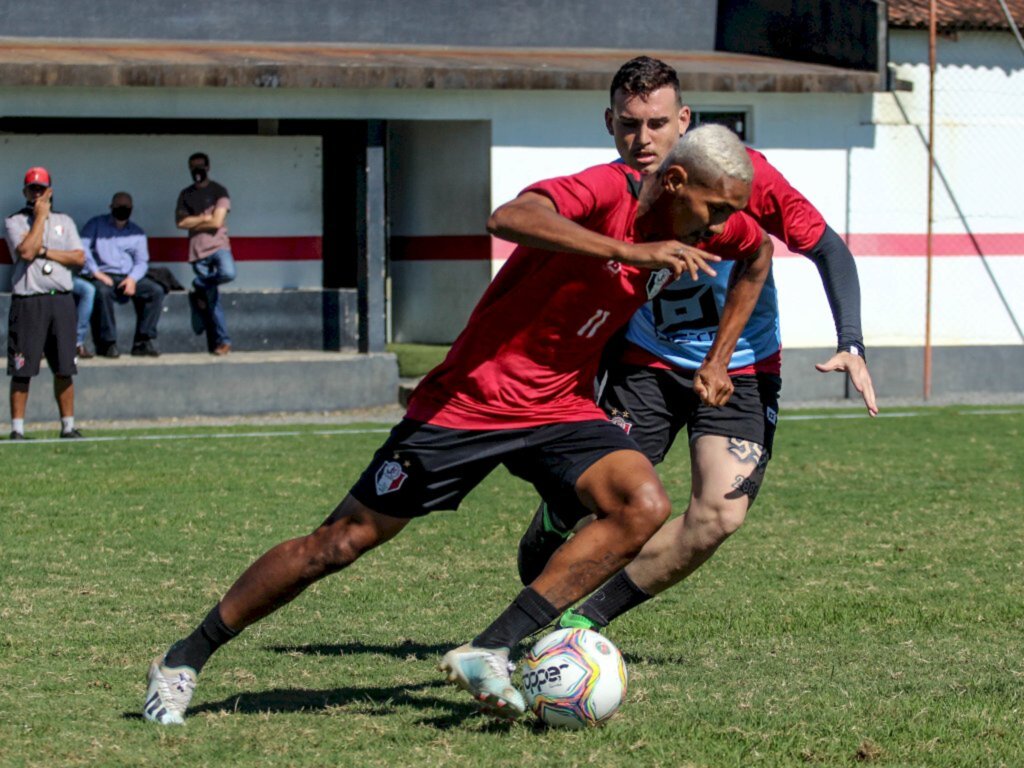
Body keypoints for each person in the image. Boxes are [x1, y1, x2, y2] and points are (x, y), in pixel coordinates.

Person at [142, 125, 774, 725]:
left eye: (727, 213)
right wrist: (629, 251)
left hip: (559, 406)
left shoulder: (708, 226)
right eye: (714, 209)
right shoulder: (604, 191)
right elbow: (509, 218)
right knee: (337, 543)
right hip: (470, 403)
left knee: (643, 504)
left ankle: (493, 648)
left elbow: (759, 253)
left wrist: (719, 357)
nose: (722, 224)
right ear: (675, 182)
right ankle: (184, 657)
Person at [516, 56, 878, 632]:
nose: (643, 138)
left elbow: (828, 249)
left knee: (719, 515)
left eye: (657, 123)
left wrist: (852, 343)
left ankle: (582, 625)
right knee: (604, 497)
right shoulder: (611, 192)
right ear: (608, 122)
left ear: (683, 119)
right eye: (629, 124)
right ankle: (558, 521)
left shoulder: (746, 177)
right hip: (645, 361)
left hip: (744, 365)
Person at [4, 167, 85, 439]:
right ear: (25, 191)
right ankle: (17, 428)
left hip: (60, 299)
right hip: (29, 300)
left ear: (50, 190)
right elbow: (26, 251)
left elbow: (78, 258)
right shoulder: (15, 221)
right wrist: (39, 217)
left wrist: (47, 252)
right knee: (22, 367)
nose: (36, 193)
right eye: (32, 189)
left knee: (64, 366)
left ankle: (68, 425)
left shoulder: (65, 221)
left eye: (41, 188)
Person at [80, 192, 166, 358]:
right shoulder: (96, 224)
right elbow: (82, 249)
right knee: (101, 292)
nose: (122, 210)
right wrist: (96, 272)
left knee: (156, 290)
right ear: (111, 207)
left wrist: (132, 279)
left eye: (126, 207)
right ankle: (107, 343)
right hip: (102, 275)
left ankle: (143, 342)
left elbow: (142, 262)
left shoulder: (137, 232)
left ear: (131, 209)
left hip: (127, 276)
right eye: (119, 206)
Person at [175, 152, 235, 355]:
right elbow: (181, 223)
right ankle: (223, 341)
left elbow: (217, 222)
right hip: (198, 251)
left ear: (208, 167)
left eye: (200, 166)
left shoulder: (219, 191)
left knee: (228, 273)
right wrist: (204, 217)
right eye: (193, 167)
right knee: (213, 300)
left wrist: (196, 219)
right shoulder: (186, 194)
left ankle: (199, 285)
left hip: (219, 247)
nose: (197, 170)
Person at [71, 274, 95, 359]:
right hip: (36, 277)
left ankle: (77, 343)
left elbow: (80, 261)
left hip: (65, 276)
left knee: (88, 290)